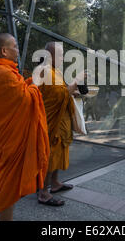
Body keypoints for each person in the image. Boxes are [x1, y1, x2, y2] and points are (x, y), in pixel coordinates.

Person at [0, 33, 50, 221]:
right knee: (8, 184)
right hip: (10, 137)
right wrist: (35, 84)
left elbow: (18, 93)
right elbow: (26, 99)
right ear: (4, 50)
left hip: (6, 134)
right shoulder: (2, 73)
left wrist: (31, 83)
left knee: (8, 180)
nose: (17, 50)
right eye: (15, 46)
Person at [37, 42, 85, 206]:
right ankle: (43, 192)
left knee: (58, 153)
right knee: (50, 156)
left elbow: (62, 91)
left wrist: (74, 90)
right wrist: (76, 81)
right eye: (59, 54)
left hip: (61, 121)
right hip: (52, 122)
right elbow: (60, 96)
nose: (62, 57)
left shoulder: (54, 71)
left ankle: (55, 184)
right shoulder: (46, 72)